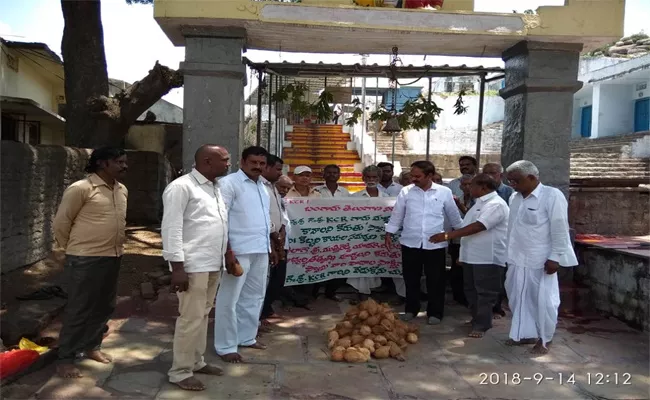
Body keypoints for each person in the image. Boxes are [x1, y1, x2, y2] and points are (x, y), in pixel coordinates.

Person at [53, 147, 128, 379]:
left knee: (104, 306)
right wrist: (72, 250)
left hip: (113, 256)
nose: (125, 166)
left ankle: (91, 347)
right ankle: (65, 358)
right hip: (85, 258)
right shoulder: (81, 189)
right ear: (103, 164)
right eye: (120, 162)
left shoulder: (122, 189)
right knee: (79, 308)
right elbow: (61, 223)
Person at [161, 145, 230, 391]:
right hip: (192, 265)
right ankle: (179, 372)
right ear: (207, 161)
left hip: (213, 263)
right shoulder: (181, 187)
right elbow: (171, 228)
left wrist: (227, 256)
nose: (228, 164)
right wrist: (177, 267)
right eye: (224, 159)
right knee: (190, 318)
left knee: (203, 315)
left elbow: (219, 224)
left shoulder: (215, 187)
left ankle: (196, 361)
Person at [503, 160, 577, 354]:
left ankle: (545, 339)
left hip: (541, 260)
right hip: (516, 258)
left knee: (544, 301)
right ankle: (524, 334)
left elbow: (560, 228)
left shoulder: (552, 196)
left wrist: (555, 257)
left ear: (532, 178)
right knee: (516, 297)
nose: (512, 185)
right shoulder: (515, 198)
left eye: (516, 181)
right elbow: (512, 229)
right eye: (510, 181)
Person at [430, 174, 509, 339]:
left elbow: (479, 226)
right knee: (471, 291)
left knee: (484, 293)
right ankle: (476, 319)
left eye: (471, 185)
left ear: (483, 188)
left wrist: (447, 236)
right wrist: (463, 255)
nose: (466, 188)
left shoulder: (496, 204)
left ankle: (482, 325)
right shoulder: (478, 204)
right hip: (472, 256)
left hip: (488, 257)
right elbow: (468, 227)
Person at [213, 146, 272, 363]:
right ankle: (225, 346)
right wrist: (228, 252)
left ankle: (246, 337)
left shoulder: (263, 186)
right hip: (238, 250)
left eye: (262, 164)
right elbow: (221, 218)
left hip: (260, 248)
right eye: (253, 162)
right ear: (242, 162)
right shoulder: (229, 184)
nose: (258, 167)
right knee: (229, 299)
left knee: (255, 296)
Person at [385, 161, 462, 324]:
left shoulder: (444, 192)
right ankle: (411, 309)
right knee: (410, 278)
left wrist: (461, 236)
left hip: (435, 244)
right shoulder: (406, 192)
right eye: (412, 175)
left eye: (417, 176)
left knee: (436, 279)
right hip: (410, 242)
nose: (413, 179)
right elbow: (397, 215)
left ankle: (435, 312)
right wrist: (389, 234)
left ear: (429, 176)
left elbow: (454, 217)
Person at [481, 162, 514, 318]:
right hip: (484, 238)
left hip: (503, 239)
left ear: (500, 175)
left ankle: (496, 307)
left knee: (499, 274)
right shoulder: (481, 192)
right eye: (486, 172)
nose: (489, 176)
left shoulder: (509, 193)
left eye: (492, 173)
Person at [313, 164, 348, 300]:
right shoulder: (316, 191)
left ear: (339, 175)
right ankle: (314, 291)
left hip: (339, 233)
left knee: (339, 262)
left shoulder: (345, 193)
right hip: (321, 232)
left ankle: (331, 291)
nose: (332, 175)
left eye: (335, 173)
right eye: (329, 172)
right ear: (324, 175)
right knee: (319, 262)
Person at [260, 155, 288, 324]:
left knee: (278, 280)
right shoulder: (260, 187)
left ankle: (265, 310)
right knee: (265, 282)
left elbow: (280, 212)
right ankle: (260, 315)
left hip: (278, 239)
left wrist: (282, 228)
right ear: (267, 168)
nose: (280, 173)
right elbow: (262, 214)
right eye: (278, 169)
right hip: (267, 240)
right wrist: (273, 235)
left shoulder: (273, 188)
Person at [447, 174, 474, 307]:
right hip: (457, 239)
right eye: (465, 184)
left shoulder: (478, 200)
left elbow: (471, 216)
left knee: (469, 271)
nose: (467, 187)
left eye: (470, 184)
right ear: (460, 186)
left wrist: (459, 205)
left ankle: (469, 298)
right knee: (456, 269)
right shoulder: (458, 198)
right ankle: (458, 297)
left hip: (472, 239)